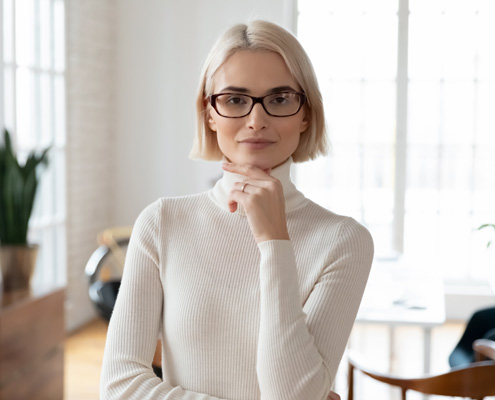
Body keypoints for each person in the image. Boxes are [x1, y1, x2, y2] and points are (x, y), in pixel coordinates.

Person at [100, 20, 373, 400]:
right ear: (209, 113)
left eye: (279, 99)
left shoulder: (345, 241)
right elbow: (119, 387)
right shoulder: (162, 223)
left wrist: (274, 242)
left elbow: (291, 395)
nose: (256, 120)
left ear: (305, 113)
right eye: (234, 100)